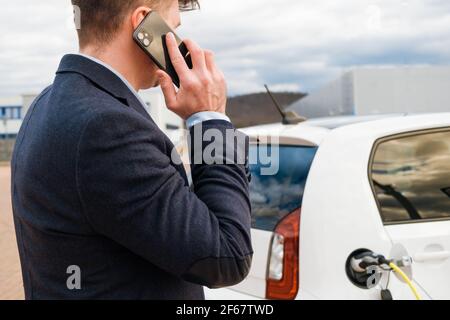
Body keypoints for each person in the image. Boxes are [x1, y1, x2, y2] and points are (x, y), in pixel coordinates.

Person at [11, 0, 252, 300]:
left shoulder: (49, 103)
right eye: (174, 28)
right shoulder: (107, 128)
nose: (180, 43)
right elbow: (228, 256)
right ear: (144, 24)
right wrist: (210, 118)